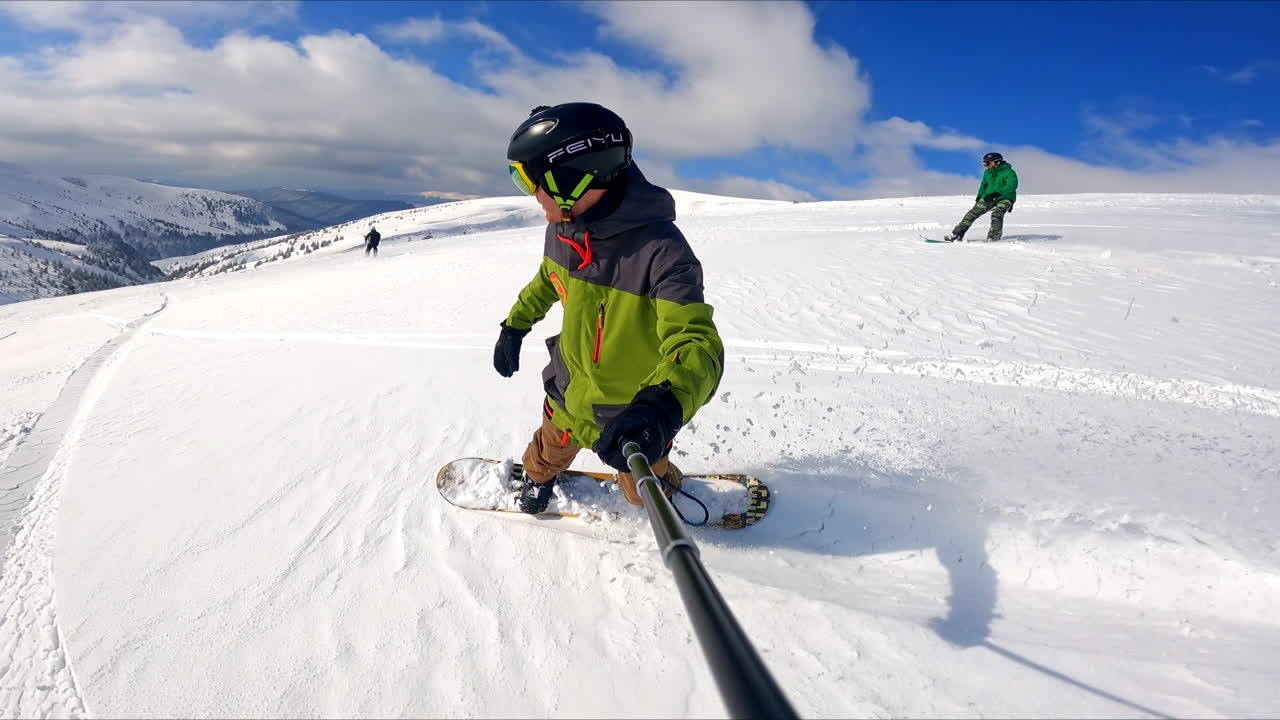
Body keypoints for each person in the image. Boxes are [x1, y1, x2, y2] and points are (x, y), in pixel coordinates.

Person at [494, 102, 725, 514]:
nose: (532, 196)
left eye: (531, 180)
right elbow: (546, 282)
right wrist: (514, 326)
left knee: (643, 493)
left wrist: (661, 407)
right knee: (545, 455)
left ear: (571, 180)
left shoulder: (663, 255)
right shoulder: (563, 232)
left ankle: (663, 487)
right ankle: (536, 479)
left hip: (630, 419)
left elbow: (698, 346)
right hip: (568, 394)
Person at [943, 152, 1018, 242]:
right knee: (972, 213)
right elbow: (983, 185)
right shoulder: (987, 173)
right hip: (989, 197)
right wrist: (980, 196)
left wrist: (997, 193)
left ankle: (993, 238)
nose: (985, 166)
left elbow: (1011, 186)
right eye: (984, 163)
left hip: (1005, 197)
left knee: (997, 214)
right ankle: (957, 234)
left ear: (997, 162)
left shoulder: (1009, 173)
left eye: (987, 163)